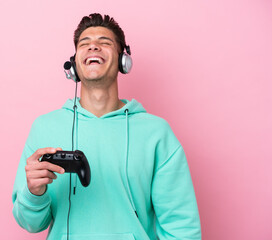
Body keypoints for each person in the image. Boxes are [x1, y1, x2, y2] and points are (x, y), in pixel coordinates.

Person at [12, 13, 201, 240]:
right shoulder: (44, 128)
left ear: (124, 61)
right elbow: (31, 224)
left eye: (104, 42)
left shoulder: (157, 134)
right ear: (73, 65)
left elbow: (181, 227)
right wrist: (34, 193)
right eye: (85, 44)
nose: (93, 47)